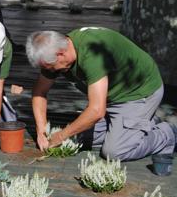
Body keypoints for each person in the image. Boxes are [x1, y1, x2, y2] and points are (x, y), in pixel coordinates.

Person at [26, 27, 177, 173]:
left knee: (114, 151)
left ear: (61, 53)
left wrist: (61, 135)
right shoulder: (56, 53)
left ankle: (168, 134)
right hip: (110, 98)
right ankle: (140, 125)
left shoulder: (91, 55)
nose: (50, 71)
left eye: (50, 67)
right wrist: (41, 131)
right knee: (78, 138)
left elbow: (97, 111)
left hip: (138, 94)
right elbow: (40, 91)